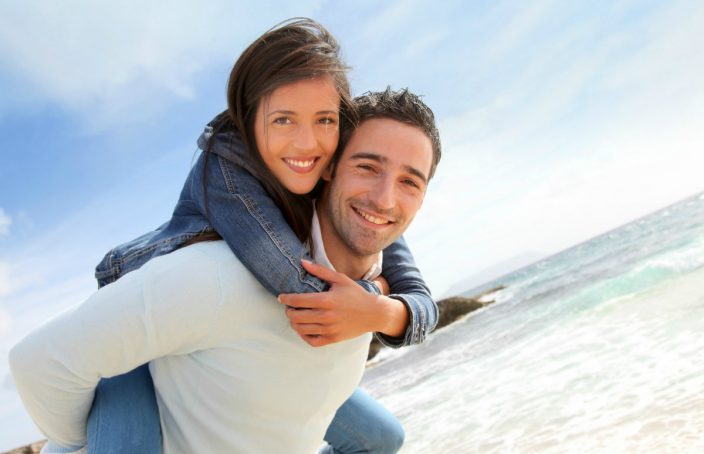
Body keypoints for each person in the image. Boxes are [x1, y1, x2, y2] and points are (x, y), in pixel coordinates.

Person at [10, 87, 442, 453]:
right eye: (367, 167)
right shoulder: (218, 277)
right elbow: (37, 364)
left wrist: (381, 306)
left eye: (410, 181)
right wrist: (93, 442)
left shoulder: (378, 275)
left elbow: (417, 303)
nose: (385, 199)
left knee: (384, 438)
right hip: (139, 371)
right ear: (326, 167)